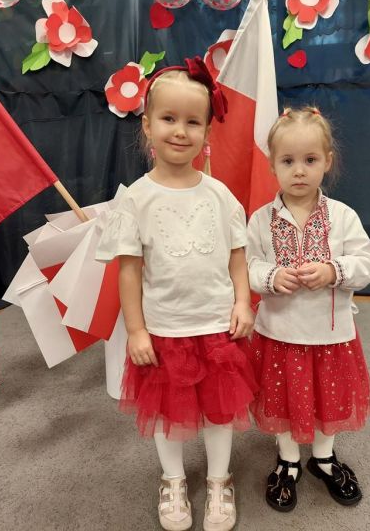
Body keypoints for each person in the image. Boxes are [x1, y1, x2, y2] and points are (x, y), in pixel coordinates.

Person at [96, 56, 257, 531]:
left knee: (220, 410)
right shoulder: (136, 199)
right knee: (168, 412)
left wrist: (242, 301)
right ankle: (172, 480)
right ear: (147, 126)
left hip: (217, 325)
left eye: (193, 122)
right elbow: (129, 271)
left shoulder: (220, 196)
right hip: (164, 328)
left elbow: (237, 256)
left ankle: (220, 480)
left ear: (207, 132)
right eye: (169, 118)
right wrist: (136, 330)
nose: (181, 131)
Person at [245, 106, 370, 512]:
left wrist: (334, 270)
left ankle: (323, 456)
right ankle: (287, 459)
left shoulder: (343, 217)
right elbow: (246, 266)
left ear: (327, 162)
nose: (299, 171)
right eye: (288, 161)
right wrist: (270, 276)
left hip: (330, 334)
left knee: (329, 397)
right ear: (272, 165)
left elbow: (367, 264)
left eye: (310, 160)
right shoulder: (260, 220)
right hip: (279, 333)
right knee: (282, 398)